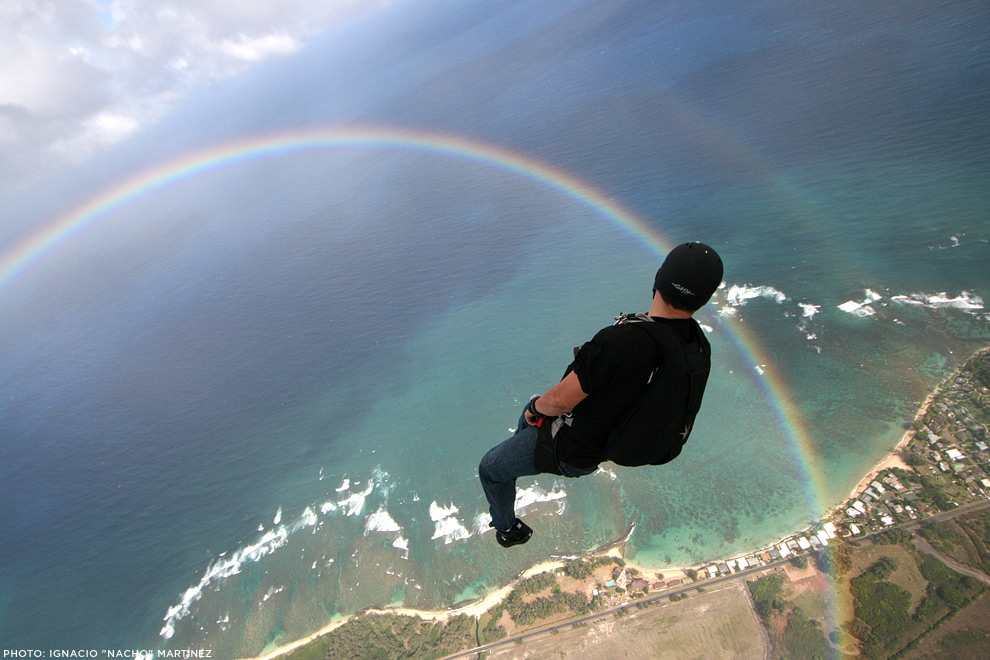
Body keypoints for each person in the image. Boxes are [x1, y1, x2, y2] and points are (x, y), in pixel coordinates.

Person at [478, 242, 723, 548]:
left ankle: (507, 528)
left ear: (659, 279)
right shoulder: (693, 344)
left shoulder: (620, 341)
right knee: (528, 425)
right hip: (607, 443)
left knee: (491, 468)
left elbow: (558, 402)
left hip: (570, 449)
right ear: (704, 298)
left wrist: (534, 407)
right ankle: (526, 444)